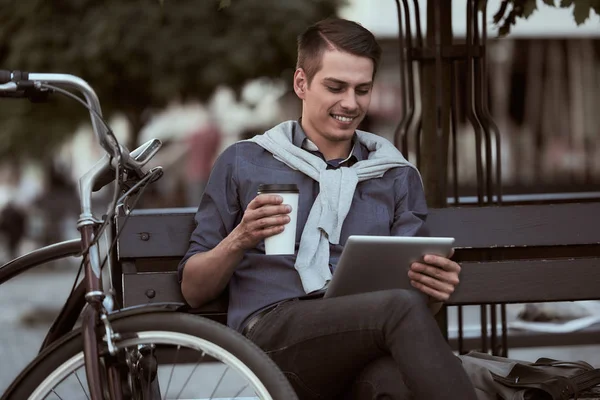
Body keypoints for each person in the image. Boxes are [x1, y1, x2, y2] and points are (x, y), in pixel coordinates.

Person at [179, 18, 477, 400]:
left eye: (362, 89)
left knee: (392, 385)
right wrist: (240, 238)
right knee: (396, 311)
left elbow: (411, 299)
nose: (350, 104)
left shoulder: (394, 174)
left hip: (362, 339)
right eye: (335, 87)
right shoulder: (245, 161)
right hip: (272, 340)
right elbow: (193, 290)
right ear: (301, 83)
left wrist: (433, 290)